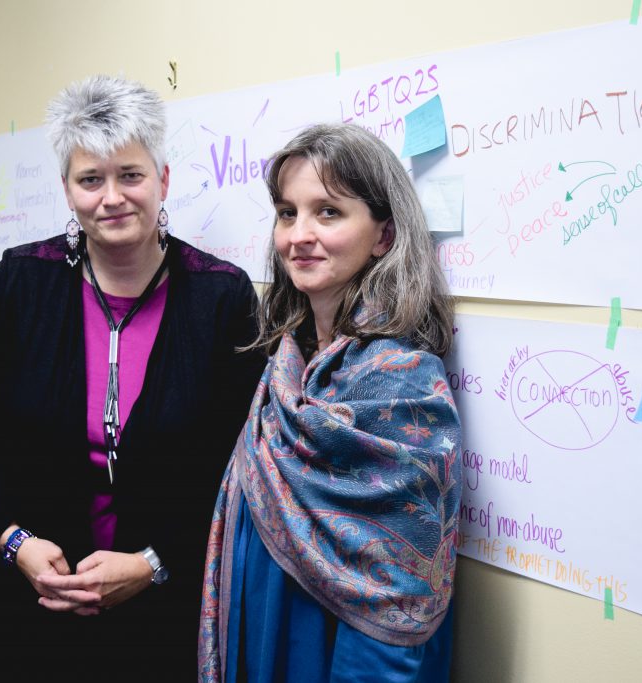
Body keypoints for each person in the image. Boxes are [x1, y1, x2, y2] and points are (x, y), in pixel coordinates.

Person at [0, 75, 265, 680]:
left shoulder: (220, 297)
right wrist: (14, 540)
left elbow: (236, 462)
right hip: (16, 593)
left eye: (130, 175)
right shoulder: (21, 281)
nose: (112, 197)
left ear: (163, 180)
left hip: (156, 603)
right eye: (91, 179)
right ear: (67, 190)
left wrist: (153, 562)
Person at [199, 123, 462, 682]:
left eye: (328, 212)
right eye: (287, 212)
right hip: (263, 641)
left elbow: (395, 601)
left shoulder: (402, 384)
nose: (299, 235)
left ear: (384, 236)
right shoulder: (288, 366)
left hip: (328, 657)